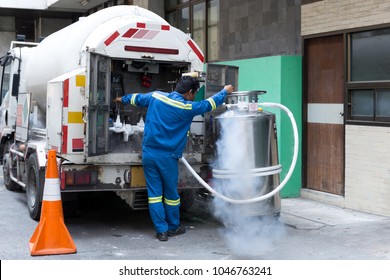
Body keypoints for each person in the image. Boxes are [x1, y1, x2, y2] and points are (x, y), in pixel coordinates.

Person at [114, 76, 234, 241]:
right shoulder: (187, 107)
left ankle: (161, 231)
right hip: (167, 157)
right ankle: (173, 227)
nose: (194, 97)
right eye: (194, 94)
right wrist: (224, 91)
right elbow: (210, 104)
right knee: (171, 194)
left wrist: (121, 99)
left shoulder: (156, 96)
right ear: (189, 92)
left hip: (148, 154)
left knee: (154, 194)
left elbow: (137, 98)